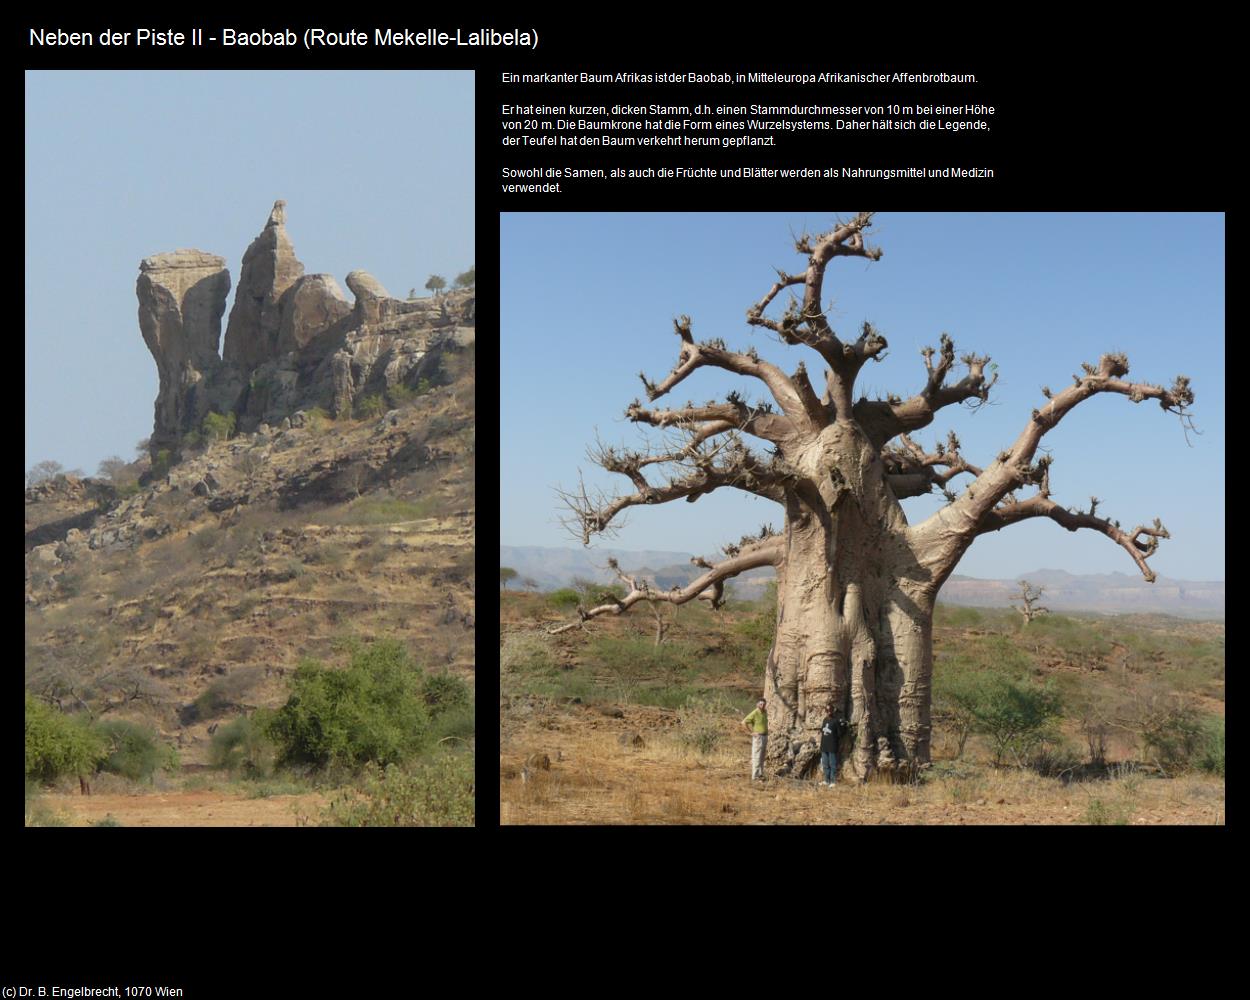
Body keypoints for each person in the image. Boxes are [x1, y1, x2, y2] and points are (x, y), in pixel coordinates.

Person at [741, 699, 768, 781]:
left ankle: (760, 774)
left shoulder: (765, 712)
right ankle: (755, 776)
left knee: (762, 757)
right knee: (757, 756)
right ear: (757, 705)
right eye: (760, 704)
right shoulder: (755, 713)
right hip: (758, 737)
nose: (762, 706)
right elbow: (744, 722)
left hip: (765, 736)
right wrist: (751, 732)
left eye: (763, 704)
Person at [820, 705, 846, 787]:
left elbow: (840, 734)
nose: (829, 712)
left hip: (832, 745)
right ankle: (826, 780)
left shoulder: (836, 721)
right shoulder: (824, 720)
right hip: (824, 745)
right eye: (827, 710)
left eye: (830, 710)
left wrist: (843, 726)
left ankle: (833, 781)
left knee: (832, 764)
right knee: (825, 764)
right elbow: (822, 730)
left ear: (833, 711)